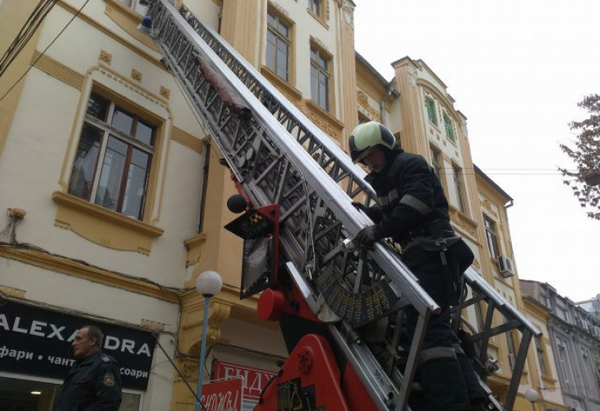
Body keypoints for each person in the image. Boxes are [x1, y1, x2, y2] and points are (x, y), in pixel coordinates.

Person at [349, 121, 485, 411]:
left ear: (386, 147)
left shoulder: (410, 165)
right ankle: (472, 396)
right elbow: (393, 213)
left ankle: (449, 403)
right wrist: (368, 214)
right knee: (438, 329)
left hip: (433, 255)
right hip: (423, 256)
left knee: (427, 328)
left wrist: (377, 230)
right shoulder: (388, 178)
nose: (370, 163)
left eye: (373, 154)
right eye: (365, 160)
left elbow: (414, 207)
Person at [54, 325, 122, 411]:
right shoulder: (79, 366)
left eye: (79, 339)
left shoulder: (105, 365)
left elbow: (109, 404)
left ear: (92, 341)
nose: (73, 343)